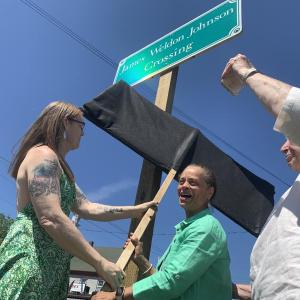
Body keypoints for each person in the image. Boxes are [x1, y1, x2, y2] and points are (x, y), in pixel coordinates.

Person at [0, 101, 156, 300]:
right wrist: (100, 262)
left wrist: (136, 210)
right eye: (81, 126)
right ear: (66, 123)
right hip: (32, 259)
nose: (83, 133)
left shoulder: (61, 169)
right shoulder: (43, 155)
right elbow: (50, 217)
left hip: (54, 268)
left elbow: (88, 207)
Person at [222, 54, 300, 299]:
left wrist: (246, 72)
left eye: (288, 137)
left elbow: (296, 113)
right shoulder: (292, 197)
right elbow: (272, 282)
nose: (282, 147)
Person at [93, 164, 232, 300]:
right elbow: (166, 283)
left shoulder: (205, 228)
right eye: (181, 181)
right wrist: (141, 260)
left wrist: (117, 295)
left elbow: (172, 281)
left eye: (193, 182)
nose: (184, 186)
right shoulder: (189, 228)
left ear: (210, 192)